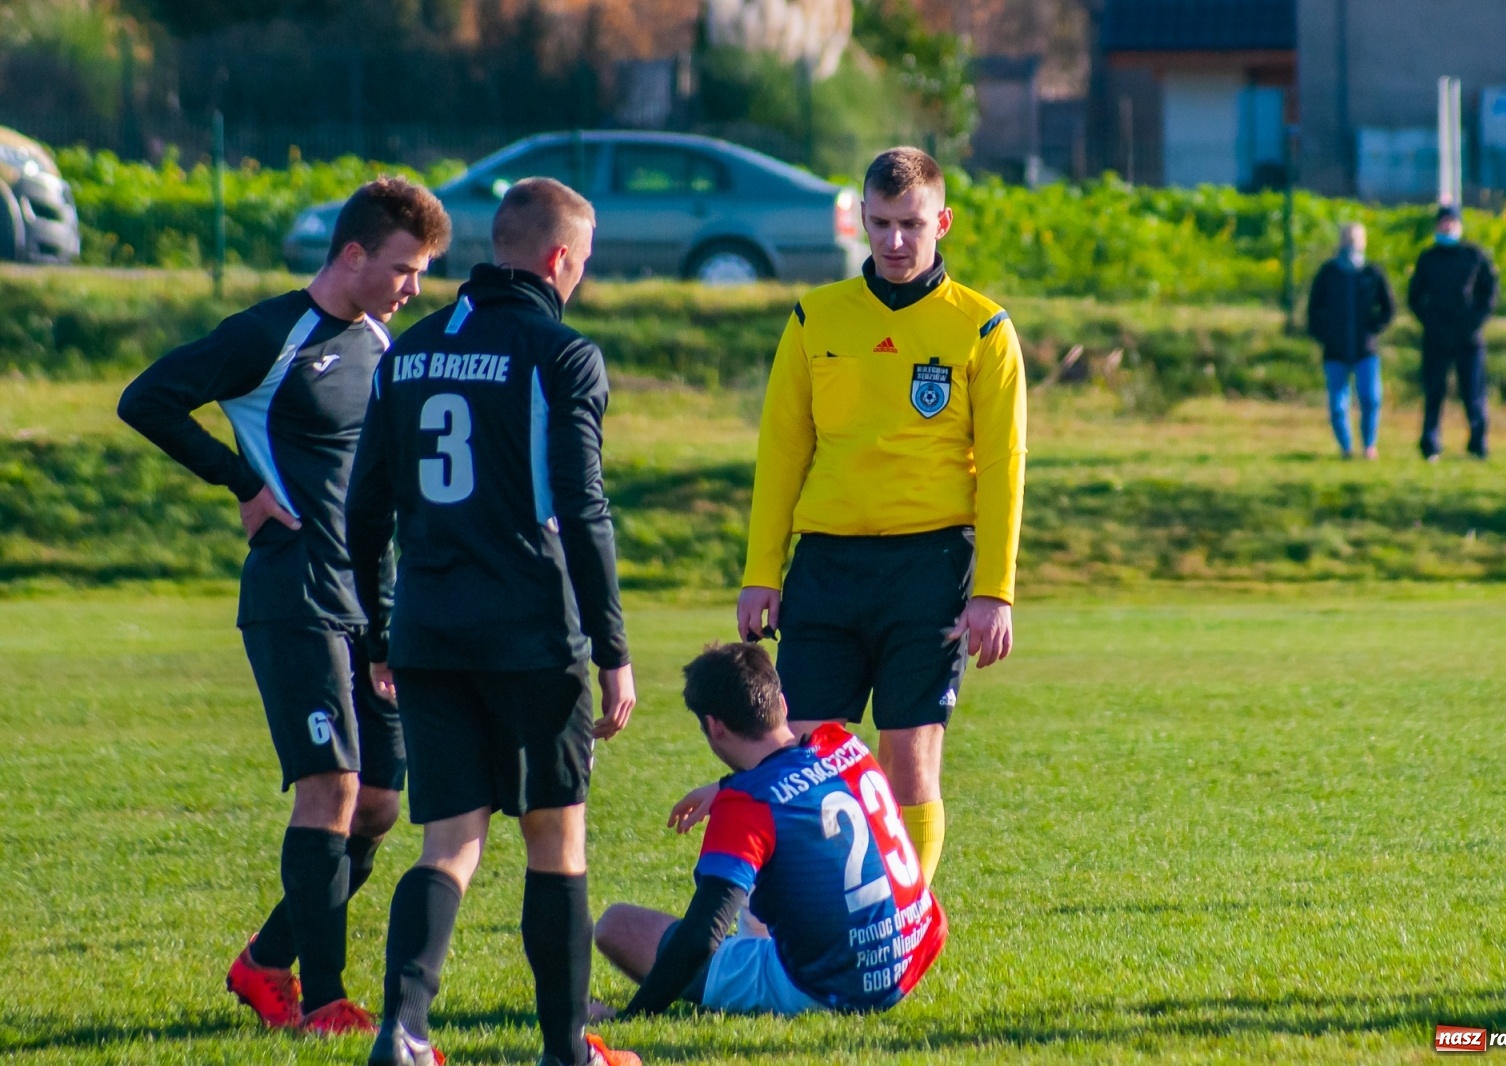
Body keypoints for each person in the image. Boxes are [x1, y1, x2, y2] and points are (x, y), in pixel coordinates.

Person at [118, 178, 450, 1036]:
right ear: (352, 255)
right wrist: (243, 483)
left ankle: (266, 960)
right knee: (331, 789)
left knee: (378, 802)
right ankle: (325, 1000)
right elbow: (146, 399)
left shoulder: (384, 342)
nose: (413, 288)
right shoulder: (268, 335)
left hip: (371, 603)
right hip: (294, 592)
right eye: (405, 269)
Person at [346, 177, 640, 1066]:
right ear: (559, 259)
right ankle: (566, 1051)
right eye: (581, 265)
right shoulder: (561, 353)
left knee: (450, 839)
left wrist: (379, 634)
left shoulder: (408, 352)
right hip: (531, 634)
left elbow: (364, 512)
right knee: (555, 834)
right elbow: (583, 509)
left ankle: (403, 1033)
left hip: (431, 634)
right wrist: (614, 651)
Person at [731, 146, 1027, 886]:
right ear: (862, 218)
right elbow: (782, 453)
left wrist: (995, 590)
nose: (895, 242)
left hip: (930, 569)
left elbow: (1002, 468)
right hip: (826, 567)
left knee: (908, 755)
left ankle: (898, 927)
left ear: (944, 222)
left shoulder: (983, 329)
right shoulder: (815, 318)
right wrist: (761, 571)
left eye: (912, 225)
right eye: (882, 223)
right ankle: (789, 927)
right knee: (797, 755)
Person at [594, 643, 945, 1017]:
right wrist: (726, 787)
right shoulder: (843, 744)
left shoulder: (747, 805)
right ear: (781, 702)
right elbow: (792, 778)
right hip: (912, 952)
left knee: (616, 925)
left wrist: (630, 1017)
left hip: (830, 987)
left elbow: (701, 937)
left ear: (714, 726)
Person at [1408, 204, 1499, 460]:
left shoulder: (1473, 256)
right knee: (1434, 391)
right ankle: (1430, 444)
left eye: (1451, 222)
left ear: (1459, 225)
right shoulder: (1428, 258)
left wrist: (1473, 321)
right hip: (1436, 337)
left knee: (1473, 393)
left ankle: (1478, 444)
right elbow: (1415, 297)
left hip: (1468, 338)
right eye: (1443, 222)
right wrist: (1431, 322)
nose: (1447, 226)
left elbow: (1489, 292)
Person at [1306, 222, 1395, 459]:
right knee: (1337, 404)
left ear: (1364, 242)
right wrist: (1325, 335)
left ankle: (1369, 445)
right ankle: (1346, 447)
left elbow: (1388, 308)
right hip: (1335, 351)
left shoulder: (1372, 273)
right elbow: (1314, 310)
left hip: (1365, 350)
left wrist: (1373, 329)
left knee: (1370, 398)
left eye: (1356, 239)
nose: (1351, 244)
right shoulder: (1328, 273)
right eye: (1347, 239)